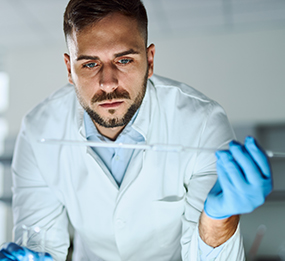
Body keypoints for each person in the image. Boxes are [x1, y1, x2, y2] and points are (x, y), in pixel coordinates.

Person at [0, 0, 272, 260]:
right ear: (70, 69)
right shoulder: (39, 131)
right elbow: (39, 239)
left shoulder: (202, 122)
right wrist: (31, 255)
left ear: (150, 60)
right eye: (90, 64)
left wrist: (219, 217)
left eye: (124, 60)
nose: (108, 83)